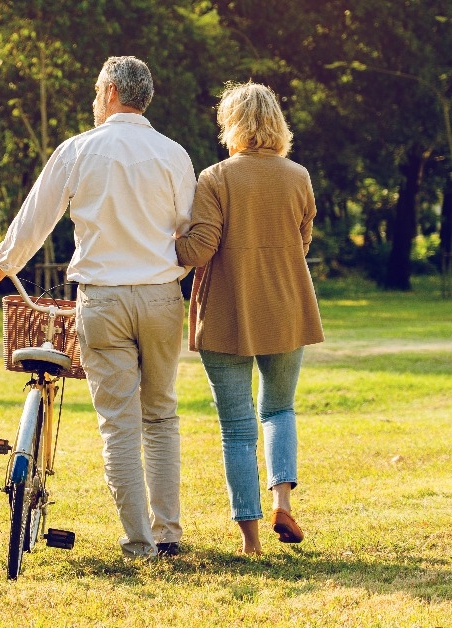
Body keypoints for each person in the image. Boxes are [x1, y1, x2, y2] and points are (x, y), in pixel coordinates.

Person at [0, 56, 195, 560]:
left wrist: (3, 262)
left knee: (119, 422)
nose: (94, 102)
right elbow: (189, 229)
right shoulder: (173, 154)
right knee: (160, 416)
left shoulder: (79, 150)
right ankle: (169, 537)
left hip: (103, 299)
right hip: (161, 296)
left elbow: (38, 215)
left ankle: (139, 543)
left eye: (97, 92)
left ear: (113, 92)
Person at [174, 82, 324, 555]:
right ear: (277, 122)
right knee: (279, 409)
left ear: (230, 125)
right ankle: (282, 500)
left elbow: (199, 251)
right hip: (286, 308)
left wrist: (166, 240)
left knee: (237, 427)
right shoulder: (298, 176)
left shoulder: (215, 177)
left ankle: (251, 541)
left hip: (225, 314)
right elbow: (301, 244)